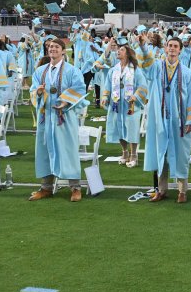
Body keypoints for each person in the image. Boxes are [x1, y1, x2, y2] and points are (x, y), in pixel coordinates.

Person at [141, 37, 191, 203]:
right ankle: (161, 190)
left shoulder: (187, 72)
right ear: (165, 48)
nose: (173, 49)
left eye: (176, 46)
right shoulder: (156, 68)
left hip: (179, 119)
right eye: (170, 46)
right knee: (161, 152)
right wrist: (143, 46)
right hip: (160, 118)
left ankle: (182, 191)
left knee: (181, 154)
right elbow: (146, 64)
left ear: (180, 50)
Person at [28, 39, 89, 202]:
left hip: (64, 117)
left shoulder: (72, 70)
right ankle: (46, 187)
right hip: (45, 118)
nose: (52, 49)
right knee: (44, 150)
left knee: (68, 150)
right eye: (50, 47)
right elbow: (32, 91)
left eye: (56, 47)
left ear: (63, 51)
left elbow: (80, 88)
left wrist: (66, 101)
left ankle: (75, 188)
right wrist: (39, 93)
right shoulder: (40, 71)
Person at [101, 41, 148, 168]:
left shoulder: (135, 70)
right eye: (118, 50)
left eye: (121, 50)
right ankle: (124, 152)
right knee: (119, 128)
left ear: (127, 54)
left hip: (131, 106)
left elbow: (143, 86)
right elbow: (107, 85)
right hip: (116, 104)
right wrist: (105, 96)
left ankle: (134, 154)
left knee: (131, 128)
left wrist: (136, 96)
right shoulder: (113, 70)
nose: (118, 51)